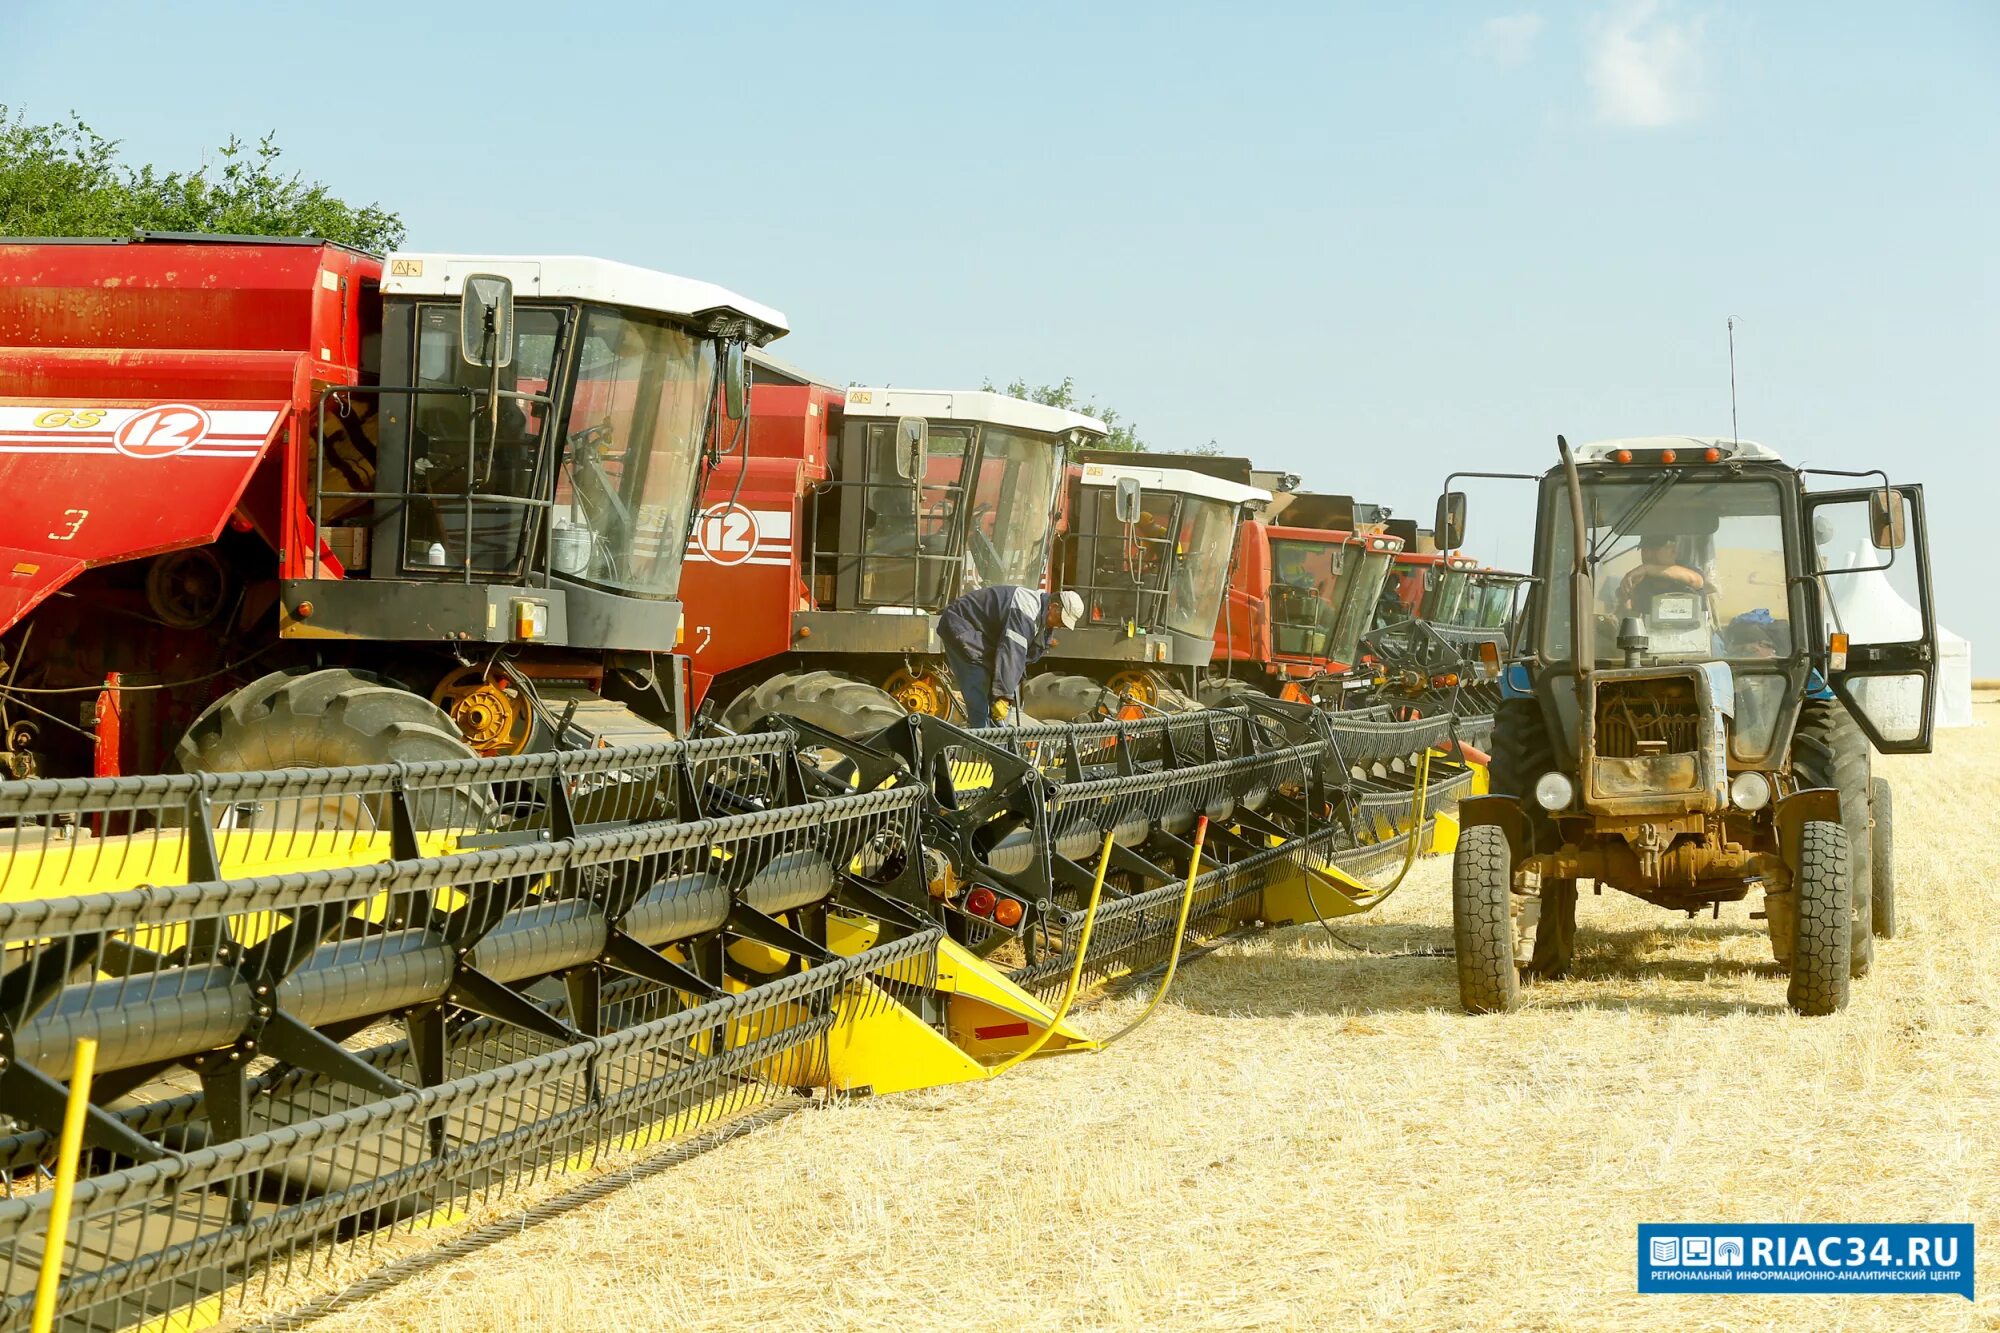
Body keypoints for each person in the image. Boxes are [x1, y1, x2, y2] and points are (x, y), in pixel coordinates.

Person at [938, 585, 1084, 723]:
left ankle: (993, 740)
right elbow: (1011, 653)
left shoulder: (1041, 621)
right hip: (961, 625)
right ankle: (980, 738)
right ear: (1054, 607)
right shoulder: (1026, 610)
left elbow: (1020, 660)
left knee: (999, 694)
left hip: (982, 634)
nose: (1060, 626)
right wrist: (1003, 695)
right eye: (1061, 620)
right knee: (980, 680)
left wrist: (1005, 694)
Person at [1616, 533, 1707, 615]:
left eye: (1654, 550)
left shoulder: (1687, 571)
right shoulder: (1641, 581)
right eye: (1644, 550)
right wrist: (1628, 597)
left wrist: (1646, 568)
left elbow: (1695, 580)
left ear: (1673, 550)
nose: (1648, 555)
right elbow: (1629, 619)